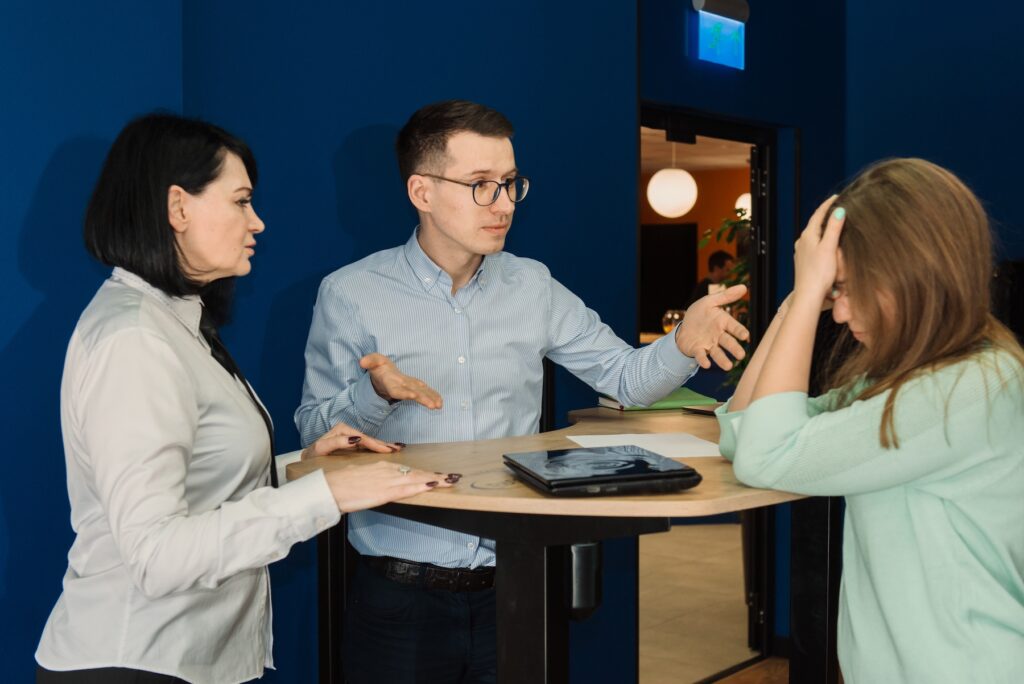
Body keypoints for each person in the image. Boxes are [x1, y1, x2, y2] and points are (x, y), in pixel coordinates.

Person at [294, 99, 750, 683]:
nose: (504, 204)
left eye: (510, 184)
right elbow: (314, 435)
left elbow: (627, 379)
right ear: (422, 192)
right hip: (400, 595)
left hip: (517, 583)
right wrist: (374, 394)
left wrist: (682, 343)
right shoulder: (351, 292)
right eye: (481, 185)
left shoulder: (532, 285)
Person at [34, 113, 453, 684]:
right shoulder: (134, 338)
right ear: (178, 208)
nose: (257, 222)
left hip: (183, 660)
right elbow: (157, 555)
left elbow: (200, 488)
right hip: (136, 661)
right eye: (240, 201)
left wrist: (302, 471)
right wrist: (323, 496)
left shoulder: (173, 322)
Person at [716, 158, 1024, 681]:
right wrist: (798, 302)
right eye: (836, 289)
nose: (837, 312)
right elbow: (742, 430)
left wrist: (811, 290)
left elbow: (764, 454)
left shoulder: (968, 390)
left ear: (914, 276)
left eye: (851, 288)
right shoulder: (912, 378)